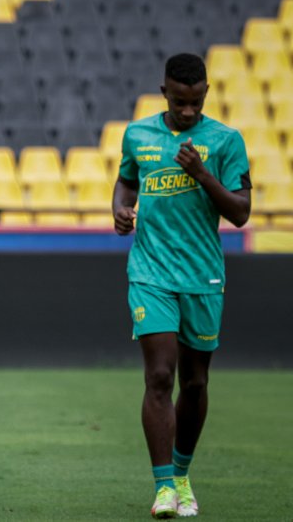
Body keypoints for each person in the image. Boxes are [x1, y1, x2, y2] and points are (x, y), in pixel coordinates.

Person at [113, 53, 251, 519]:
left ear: (206, 94)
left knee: (194, 382)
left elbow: (240, 213)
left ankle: (184, 473)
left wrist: (202, 174)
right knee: (159, 376)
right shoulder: (138, 135)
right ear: (164, 92)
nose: (187, 111)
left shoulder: (226, 141)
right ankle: (165, 487)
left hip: (203, 277)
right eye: (178, 101)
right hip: (150, 272)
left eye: (194, 102)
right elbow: (126, 181)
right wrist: (120, 208)